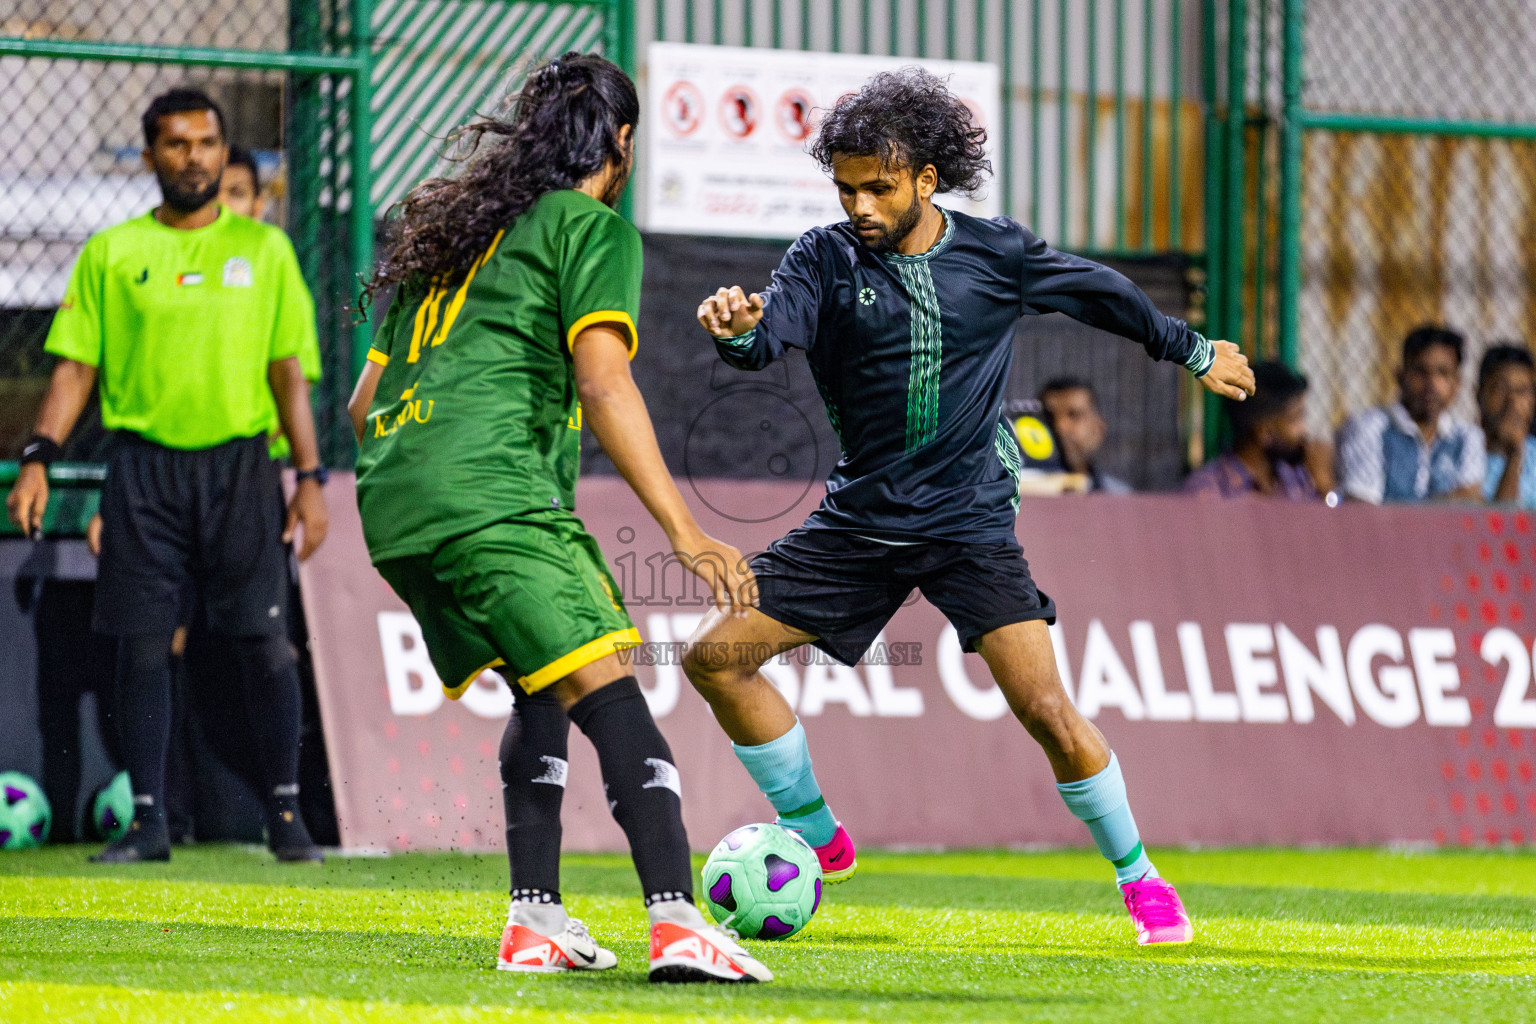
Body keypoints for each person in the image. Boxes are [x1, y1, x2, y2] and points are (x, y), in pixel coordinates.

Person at [687, 68, 1253, 947]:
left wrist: (1189, 349)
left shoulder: (997, 254)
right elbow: (772, 336)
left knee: (1048, 714)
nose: (861, 204)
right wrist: (737, 331)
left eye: (879, 186)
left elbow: (1100, 292)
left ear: (925, 177)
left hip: (968, 526)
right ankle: (817, 833)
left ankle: (1141, 881)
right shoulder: (824, 257)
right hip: (859, 523)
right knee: (715, 660)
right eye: (846, 187)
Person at [347, 53, 771, 983]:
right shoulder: (590, 228)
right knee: (607, 683)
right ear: (620, 144)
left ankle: (535, 917)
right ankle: (679, 921)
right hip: (490, 496)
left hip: (394, 502)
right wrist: (685, 533)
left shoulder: (451, 238)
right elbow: (603, 379)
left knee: (542, 684)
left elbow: (359, 404)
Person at [6, 87, 329, 864]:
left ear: (225, 152)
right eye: (177, 144)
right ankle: (147, 822)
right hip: (143, 474)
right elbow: (74, 370)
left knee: (265, 645)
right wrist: (38, 457)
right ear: (151, 156)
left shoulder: (266, 251)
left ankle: (287, 817)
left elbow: (290, 374)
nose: (195, 157)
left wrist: (310, 476)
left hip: (243, 469)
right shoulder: (113, 254)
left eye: (208, 142)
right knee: (142, 649)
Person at [1336, 325, 1484, 503]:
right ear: (1400, 377)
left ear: (1457, 384)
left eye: (1443, 373)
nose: (1432, 384)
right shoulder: (1370, 427)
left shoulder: (1467, 436)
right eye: (1420, 372)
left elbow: (1468, 502)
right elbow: (1363, 508)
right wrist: (1445, 502)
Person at [1183, 361, 1330, 500]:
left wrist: (1324, 487)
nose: (1304, 430)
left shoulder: (1297, 479)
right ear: (1264, 432)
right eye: (1295, 419)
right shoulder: (1208, 492)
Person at [1038, 376, 1133, 493]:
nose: (1060, 427)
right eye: (1049, 417)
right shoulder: (1017, 494)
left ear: (1098, 429)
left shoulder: (1118, 498)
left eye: (1074, 415)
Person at [1478, 344, 1536, 507]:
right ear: (1479, 395)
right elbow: (1500, 527)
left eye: (1522, 391)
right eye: (1500, 389)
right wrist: (1515, 455)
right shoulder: (1462, 456)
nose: (1513, 402)